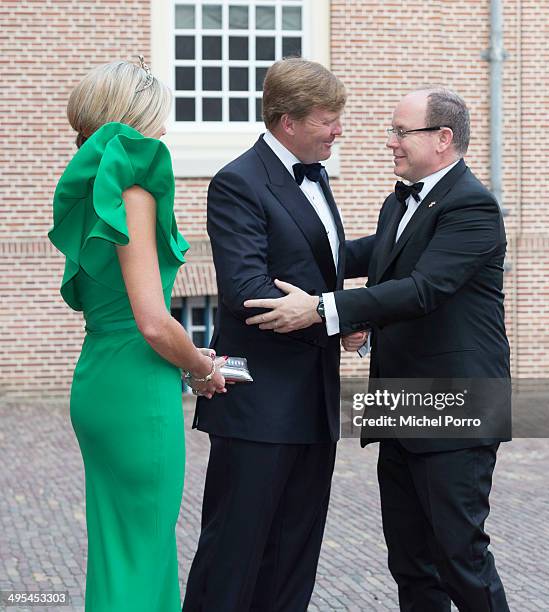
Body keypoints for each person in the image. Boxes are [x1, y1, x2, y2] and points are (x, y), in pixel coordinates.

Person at [244, 87, 511, 611]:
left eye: (400, 132)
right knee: (411, 561)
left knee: (460, 554)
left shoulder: (473, 206)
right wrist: (263, 250)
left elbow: (422, 290)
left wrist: (324, 309)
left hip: (458, 400)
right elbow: (359, 257)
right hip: (400, 400)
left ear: (443, 138)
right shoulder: (400, 200)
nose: (390, 142)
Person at [48, 58, 226, 612]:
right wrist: (201, 367)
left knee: (119, 549)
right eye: (159, 116)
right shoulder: (133, 192)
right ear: (136, 117)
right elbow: (152, 322)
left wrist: (191, 355)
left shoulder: (90, 191)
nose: (165, 130)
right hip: (138, 391)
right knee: (144, 549)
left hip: (99, 377)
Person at [183, 58, 346, 612]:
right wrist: (336, 312)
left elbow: (326, 261)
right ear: (287, 121)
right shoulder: (238, 181)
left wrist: (409, 245)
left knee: (294, 559)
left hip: (314, 403)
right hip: (259, 407)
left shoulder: (316, 174)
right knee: (234, 556)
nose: (337, 130)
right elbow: (246, 288)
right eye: (328, 119)